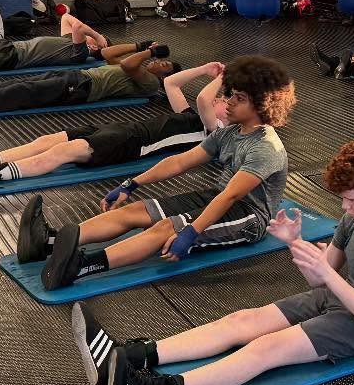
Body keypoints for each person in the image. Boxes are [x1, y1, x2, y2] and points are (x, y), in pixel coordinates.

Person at [72, 139, 354, 385]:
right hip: (340, 298)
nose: (344, 208)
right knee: (242, 320)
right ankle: (129, 356)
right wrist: (296, 243)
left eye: (350, 200)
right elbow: (320, 278)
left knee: (265, 348)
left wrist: (328, 274)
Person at [16, 55, 295, 291]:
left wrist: (191, 233)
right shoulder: (230, 133)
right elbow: (180, 162)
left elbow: (232, 196)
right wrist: (131, 184)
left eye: (240, 98)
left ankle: (79, 268)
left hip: (248, 215)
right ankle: (47, 242)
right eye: (231, 94)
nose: (229, 102)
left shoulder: (267, 148)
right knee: (135, 211)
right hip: (219, 196)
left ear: (262, 106)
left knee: (165, 228)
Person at [0, 61, 227, 189]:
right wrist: (205, 69)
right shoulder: (190, 116)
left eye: (228, 100)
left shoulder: (212, 131)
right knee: (49, 139)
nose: (221, 99)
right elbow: (170, 83)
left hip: (131, 144)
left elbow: (203, 98)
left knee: (63, 151)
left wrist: (222, 80)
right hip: (122, 128)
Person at [0, 42, 177, 119]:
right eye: (160, 60)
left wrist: (150, 52)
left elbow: (131, 63)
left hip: (82, 88)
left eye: (162, 65)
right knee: (11, 86)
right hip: (78, 77)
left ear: (165, 77)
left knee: (21, 91)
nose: (156, 63)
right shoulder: (137, 71)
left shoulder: (150, 84)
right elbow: (108, 53)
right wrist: (140, 44)